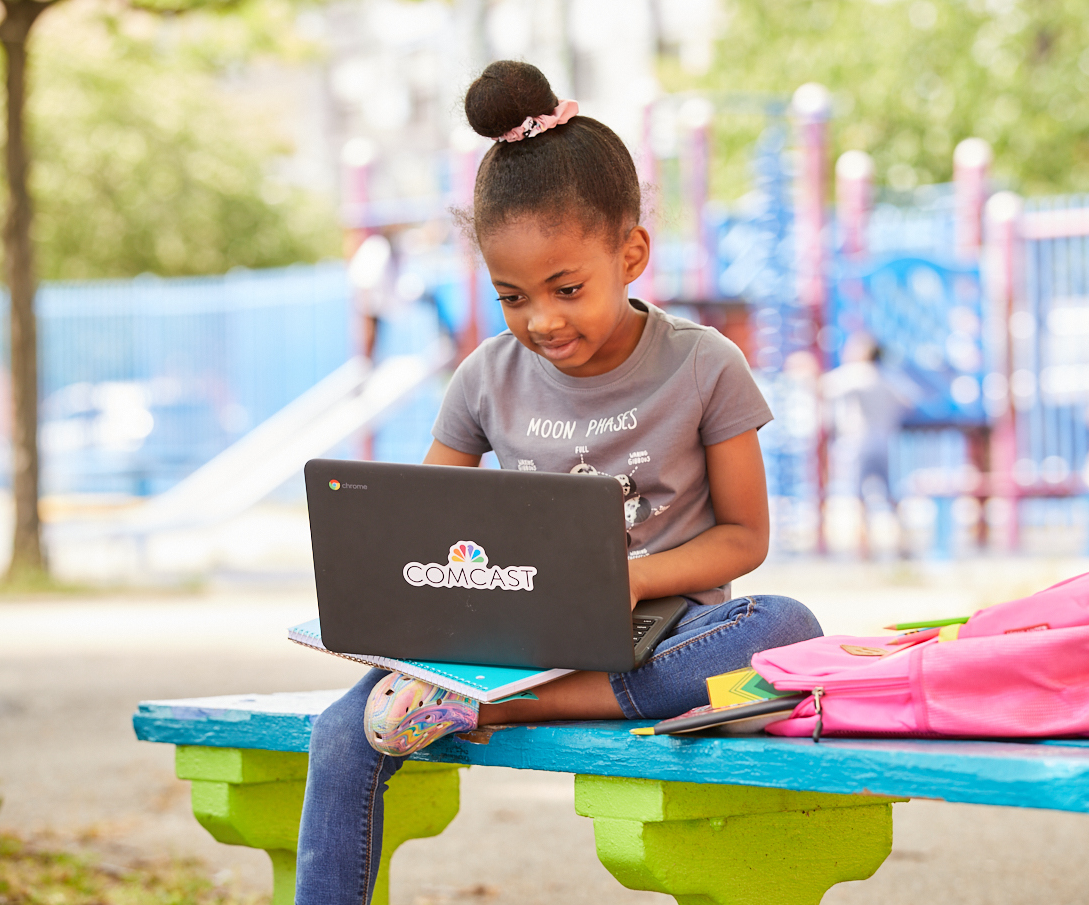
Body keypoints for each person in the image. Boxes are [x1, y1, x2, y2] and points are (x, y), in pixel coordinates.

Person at [293, 61, 823, 904]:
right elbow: (424, 527)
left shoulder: (704, 365)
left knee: (783, 630)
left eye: (566, 289)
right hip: (510, 630)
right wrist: (397, 596)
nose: (541, 320)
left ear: (632, 252)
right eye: (511, 296)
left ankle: (497, 710)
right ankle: (476, 704)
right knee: (341, 730)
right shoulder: (483, 377)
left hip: (662, 625)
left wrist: (629, 577)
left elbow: (743, 539)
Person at [821, 332, 914, 559]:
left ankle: (864, 547)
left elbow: (824, 387)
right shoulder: (886, 377)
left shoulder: (854, 375)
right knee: (889, 492)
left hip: (856, 442)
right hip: (883, 441)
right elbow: (907, 401)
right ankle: (901, 541)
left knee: (857, 494)